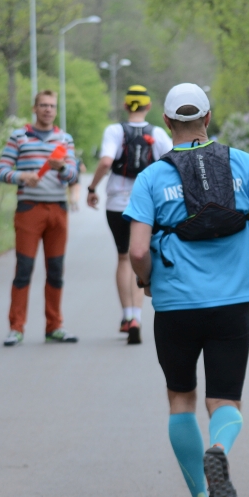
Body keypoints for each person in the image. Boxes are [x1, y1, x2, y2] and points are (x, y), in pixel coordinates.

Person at [124, 83, 249, 497]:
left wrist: (147, 281)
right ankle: (220, 448)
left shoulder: (152, 176)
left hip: (176, 305)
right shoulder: (243, 163)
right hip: (231, 303)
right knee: (225, 401)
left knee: (181, 399)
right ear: (208, 118)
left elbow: (138, 251)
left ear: (167, 122)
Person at [86, 85, 173, 344]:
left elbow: (105, 161)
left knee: (124, 257)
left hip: (117, 203)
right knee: (142, 255)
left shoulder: (114, 131)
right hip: (147, 205)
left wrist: (92, 188)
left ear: (125, 106)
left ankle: (127, 316)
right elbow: (172, 162)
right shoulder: (157, 133)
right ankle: (138, 316)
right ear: (148, 106)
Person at [0, 90, 79, 346]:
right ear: (35, 108)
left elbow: (73, 175)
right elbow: (0, 170)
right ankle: (16, 327)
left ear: (56, 109)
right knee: (24, 268)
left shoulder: (64, 139)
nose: (47, 109)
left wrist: (62, 168)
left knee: (56, 270)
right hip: (29, 208)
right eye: (43, 105)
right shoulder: (19, 136)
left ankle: (54, 326)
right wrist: (21, 177)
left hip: (58, 210)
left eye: (51, 105)